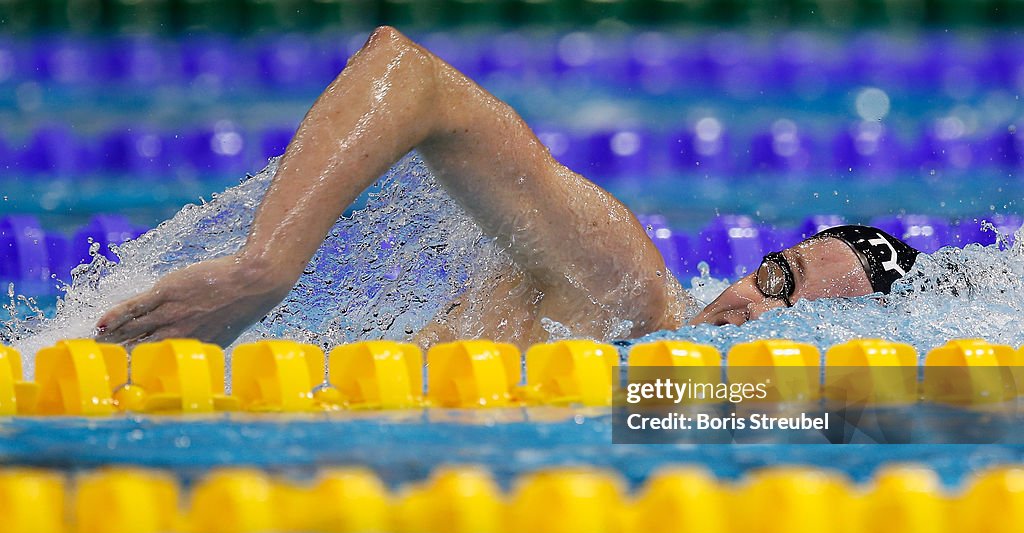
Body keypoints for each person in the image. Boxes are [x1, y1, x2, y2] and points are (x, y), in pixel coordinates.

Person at [95, 26, 919, 349]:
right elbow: (410, 75)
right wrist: (264, 269)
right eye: (779, 277)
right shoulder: (630, 294)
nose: (759, 312)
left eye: (805, 324)